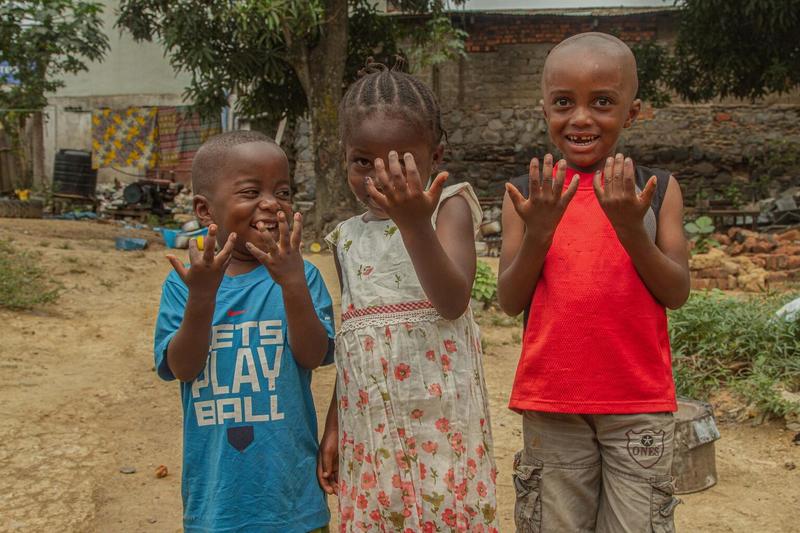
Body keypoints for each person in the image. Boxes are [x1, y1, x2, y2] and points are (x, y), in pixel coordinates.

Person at [498, 33, 691, 532]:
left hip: (638, 404)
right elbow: (509, 300)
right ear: (544, 108)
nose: (581, 118)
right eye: (564, 102)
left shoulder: (658, 190)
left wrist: (631, 228)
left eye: (602, 102)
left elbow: (677, 291)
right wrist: (538, 232)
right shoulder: (527, 195)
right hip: (553, 403)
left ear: (633, 111)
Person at [318, 61, 498, 532]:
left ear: (435, 155)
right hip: (371, 430)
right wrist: (335, 424)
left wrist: (414, 223)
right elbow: (353, 341)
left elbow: (452, 300)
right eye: (363, 161)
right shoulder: (345, 239)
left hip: (441, 425)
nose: (382, 176)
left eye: (402, 161)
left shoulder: (449, 207)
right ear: (344, 157)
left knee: (446, 515)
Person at [153, 130, 335, 533]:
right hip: (217, 504)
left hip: (293, 502)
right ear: (205, 209)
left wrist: (291, 283)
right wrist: (201, 298)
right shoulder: (185, 283)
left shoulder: (303, 275)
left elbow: (313, 355)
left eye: (283, 192)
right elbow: (182, 368)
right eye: (251, 192)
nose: (272, 203)